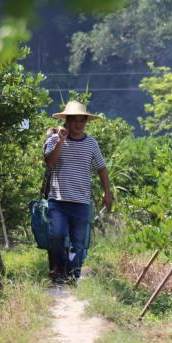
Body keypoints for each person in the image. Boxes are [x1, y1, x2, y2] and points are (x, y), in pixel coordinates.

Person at [43, 101, 113, 282]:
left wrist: (107, 192)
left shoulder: (91, 144)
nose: (79, 124)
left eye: (82, 121)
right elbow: (50, 161)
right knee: (57, 236)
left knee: (78, 244)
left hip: (81, 202)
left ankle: (73, 275)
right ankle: (58, 270)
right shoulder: (54, 140)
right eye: (75, 120)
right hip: (58, 200)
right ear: (67, 120)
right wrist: (61, 140)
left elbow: (102, 168)